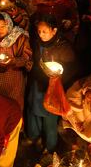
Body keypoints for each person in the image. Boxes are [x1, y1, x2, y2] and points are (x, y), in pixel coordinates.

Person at [26, 14, 78, 154]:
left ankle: (50, 147)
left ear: (54, 30)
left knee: (50, 117)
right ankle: (33, 137)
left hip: (53, 87)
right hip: (37, 84)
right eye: (39, 31)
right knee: (34, 112)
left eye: (45, 31)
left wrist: (58, 74)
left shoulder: (63, 46)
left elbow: (71, 69)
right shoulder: (37, 43)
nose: (41, 35)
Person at [0, 12, 32, 110]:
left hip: (14, 81)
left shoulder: (20, 38)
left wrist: (12, 61)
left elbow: (27, 58)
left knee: (12, 109)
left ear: (9, 24)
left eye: (2, 26)